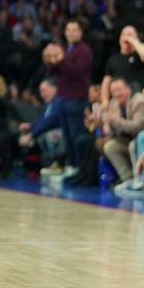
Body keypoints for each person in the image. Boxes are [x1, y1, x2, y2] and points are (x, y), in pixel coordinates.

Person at [43, 19, 92, 178]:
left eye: (74, 29)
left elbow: (76, 71)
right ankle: (70, 165)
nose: (71, 33)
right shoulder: (65, 49)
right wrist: (52, 60)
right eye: (68, 30)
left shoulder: (84, 51)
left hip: (76, 99)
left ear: (80, 32)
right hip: (62, 98)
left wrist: (61, 59)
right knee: (67, 135)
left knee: (76, 134)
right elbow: (52, 72)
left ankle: (79, 166)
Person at [101, 78, 144, 184]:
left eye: (119, 90)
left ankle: (138, 179)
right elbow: (110, 131)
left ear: (127, 89)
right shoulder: (114, 103)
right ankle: (127, 179)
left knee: (132, 145)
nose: (117, 94)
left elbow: (136, 127)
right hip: (126, 139)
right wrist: (107, 124)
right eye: (114, 91)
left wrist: (115, 121)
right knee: (109, 146)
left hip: (142, 139)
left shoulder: (138, 101)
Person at [100, 25, 144, 105]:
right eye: (123, 34)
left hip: (138, 99)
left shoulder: (140, 55)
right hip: (118, 101)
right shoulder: (113, 59)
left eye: (130, 35)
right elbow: (106, 82)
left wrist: (134, 42)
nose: (126, 37)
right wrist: (105, 100)